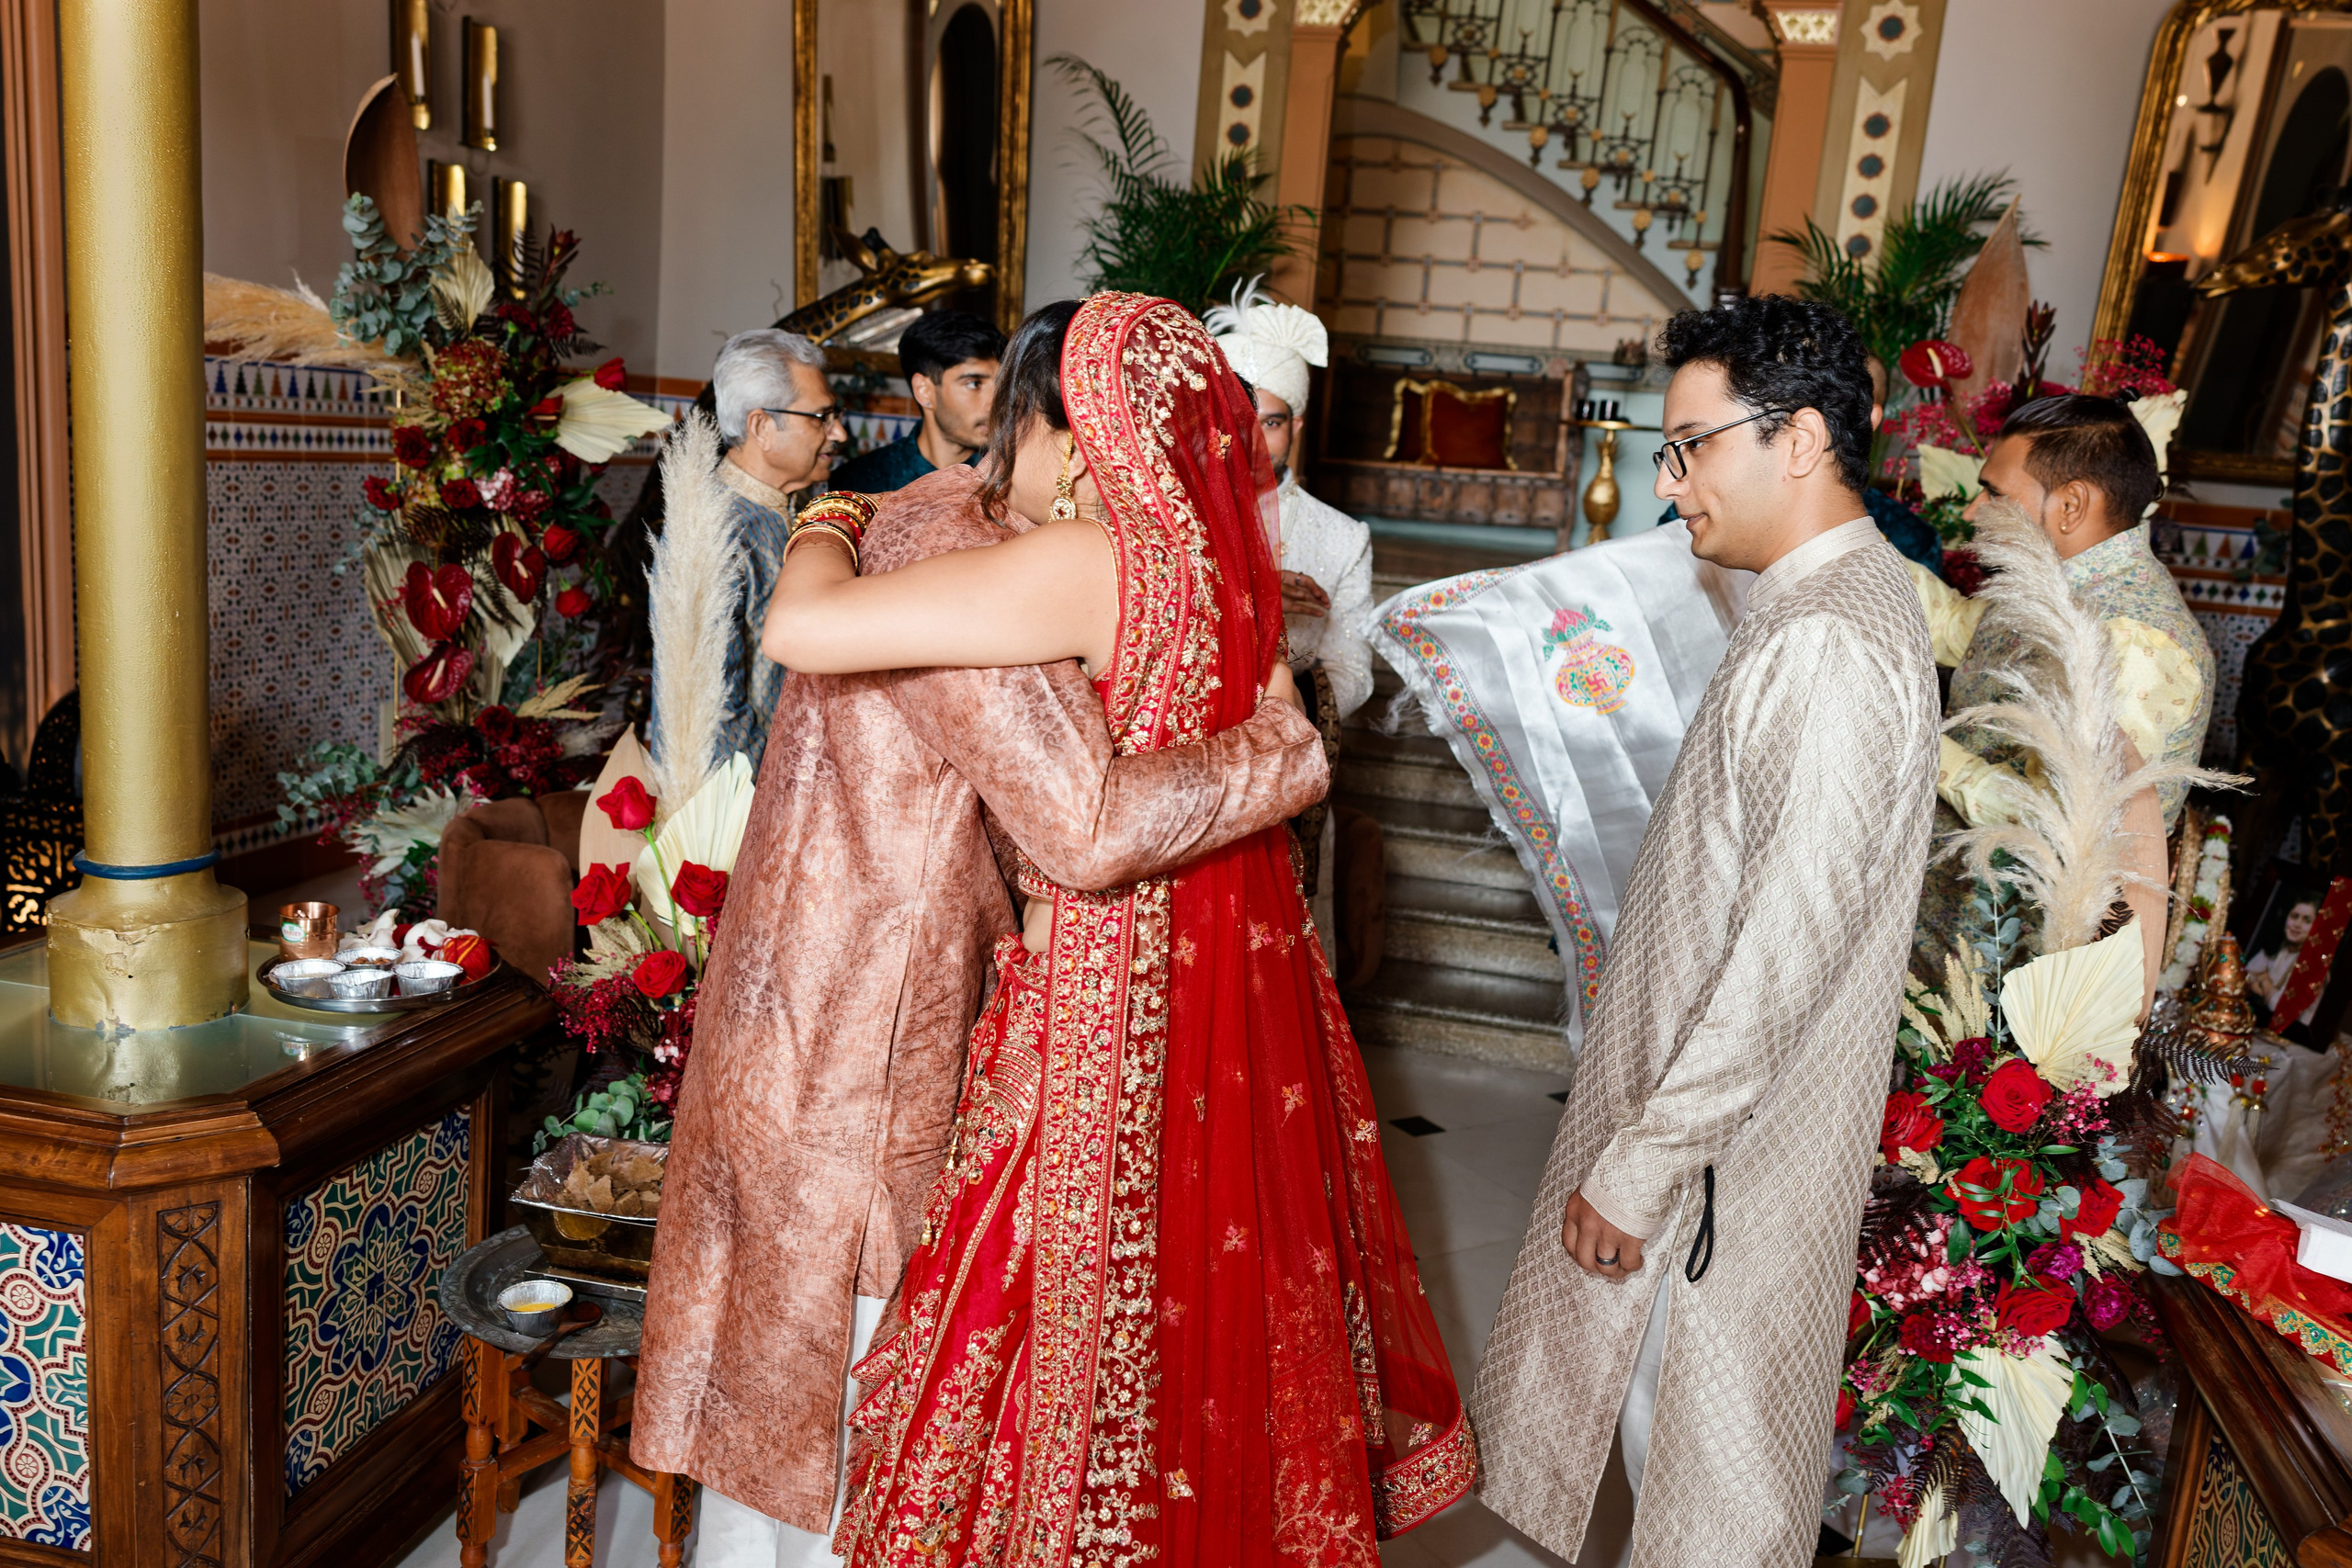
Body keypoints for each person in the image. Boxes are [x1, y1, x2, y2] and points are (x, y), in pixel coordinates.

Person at [756, 294, 1476, 1565]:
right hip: (1214, 1010)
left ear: (1084, 435)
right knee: (1197, 1308)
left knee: (1042, 1318)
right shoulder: (1223, 568)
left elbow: (802, 626)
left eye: (1023, 427)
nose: (1003, 459)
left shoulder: (1090, 561)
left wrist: (831, 513)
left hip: (1099, 1000)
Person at [631, 426, 1336, 1559]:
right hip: (867, 1040)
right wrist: (1278, 755)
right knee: (846, 1403)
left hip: (793, 1011)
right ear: (1056, 437)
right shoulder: (981, 580)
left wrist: (827, 516)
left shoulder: (911, 524)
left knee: (773, 1373)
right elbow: (1090, 824)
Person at [1471, 296, 1939, 1567]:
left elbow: (1782, 950)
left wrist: (1642, 1164)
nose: (1669, 485)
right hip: (1712, 1156)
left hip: (1723, 1176)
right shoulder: (1810, 601)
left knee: (1706, 1498)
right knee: (1671, 1474)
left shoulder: (1835, 633)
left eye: (1690, 447)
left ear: (1795, 440)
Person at [1909, 392, 2214, 997]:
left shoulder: (2137, 642)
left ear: (2070, 504)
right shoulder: (2053, 584)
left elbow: (2063, 831)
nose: (1974, 511)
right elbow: (1954, 627)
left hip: (2013, 993)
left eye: (1995, 493)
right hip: (1949, 944)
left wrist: (1916, 743)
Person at [1204, 279, 1374, 721]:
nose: (1252, 442)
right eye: (1236, 421)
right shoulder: (1164, 508)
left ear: (1295, 428)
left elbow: (1351, 671)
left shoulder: (1343, 538)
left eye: (1271, 423)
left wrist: (1273, 725)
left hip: (1284, 735)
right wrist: (1251, 591)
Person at [691, 327, 845, 769]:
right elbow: (716, 717)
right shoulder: (711, 530)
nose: (838, 433)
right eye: (821, 417)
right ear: (761, 426)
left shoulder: (800, 505)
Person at [827, 309, 1005, 494]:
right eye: (974, 384)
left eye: (1002, 384)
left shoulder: (1014, 481)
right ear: (924, 391)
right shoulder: (858, 484)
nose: (997, 402)